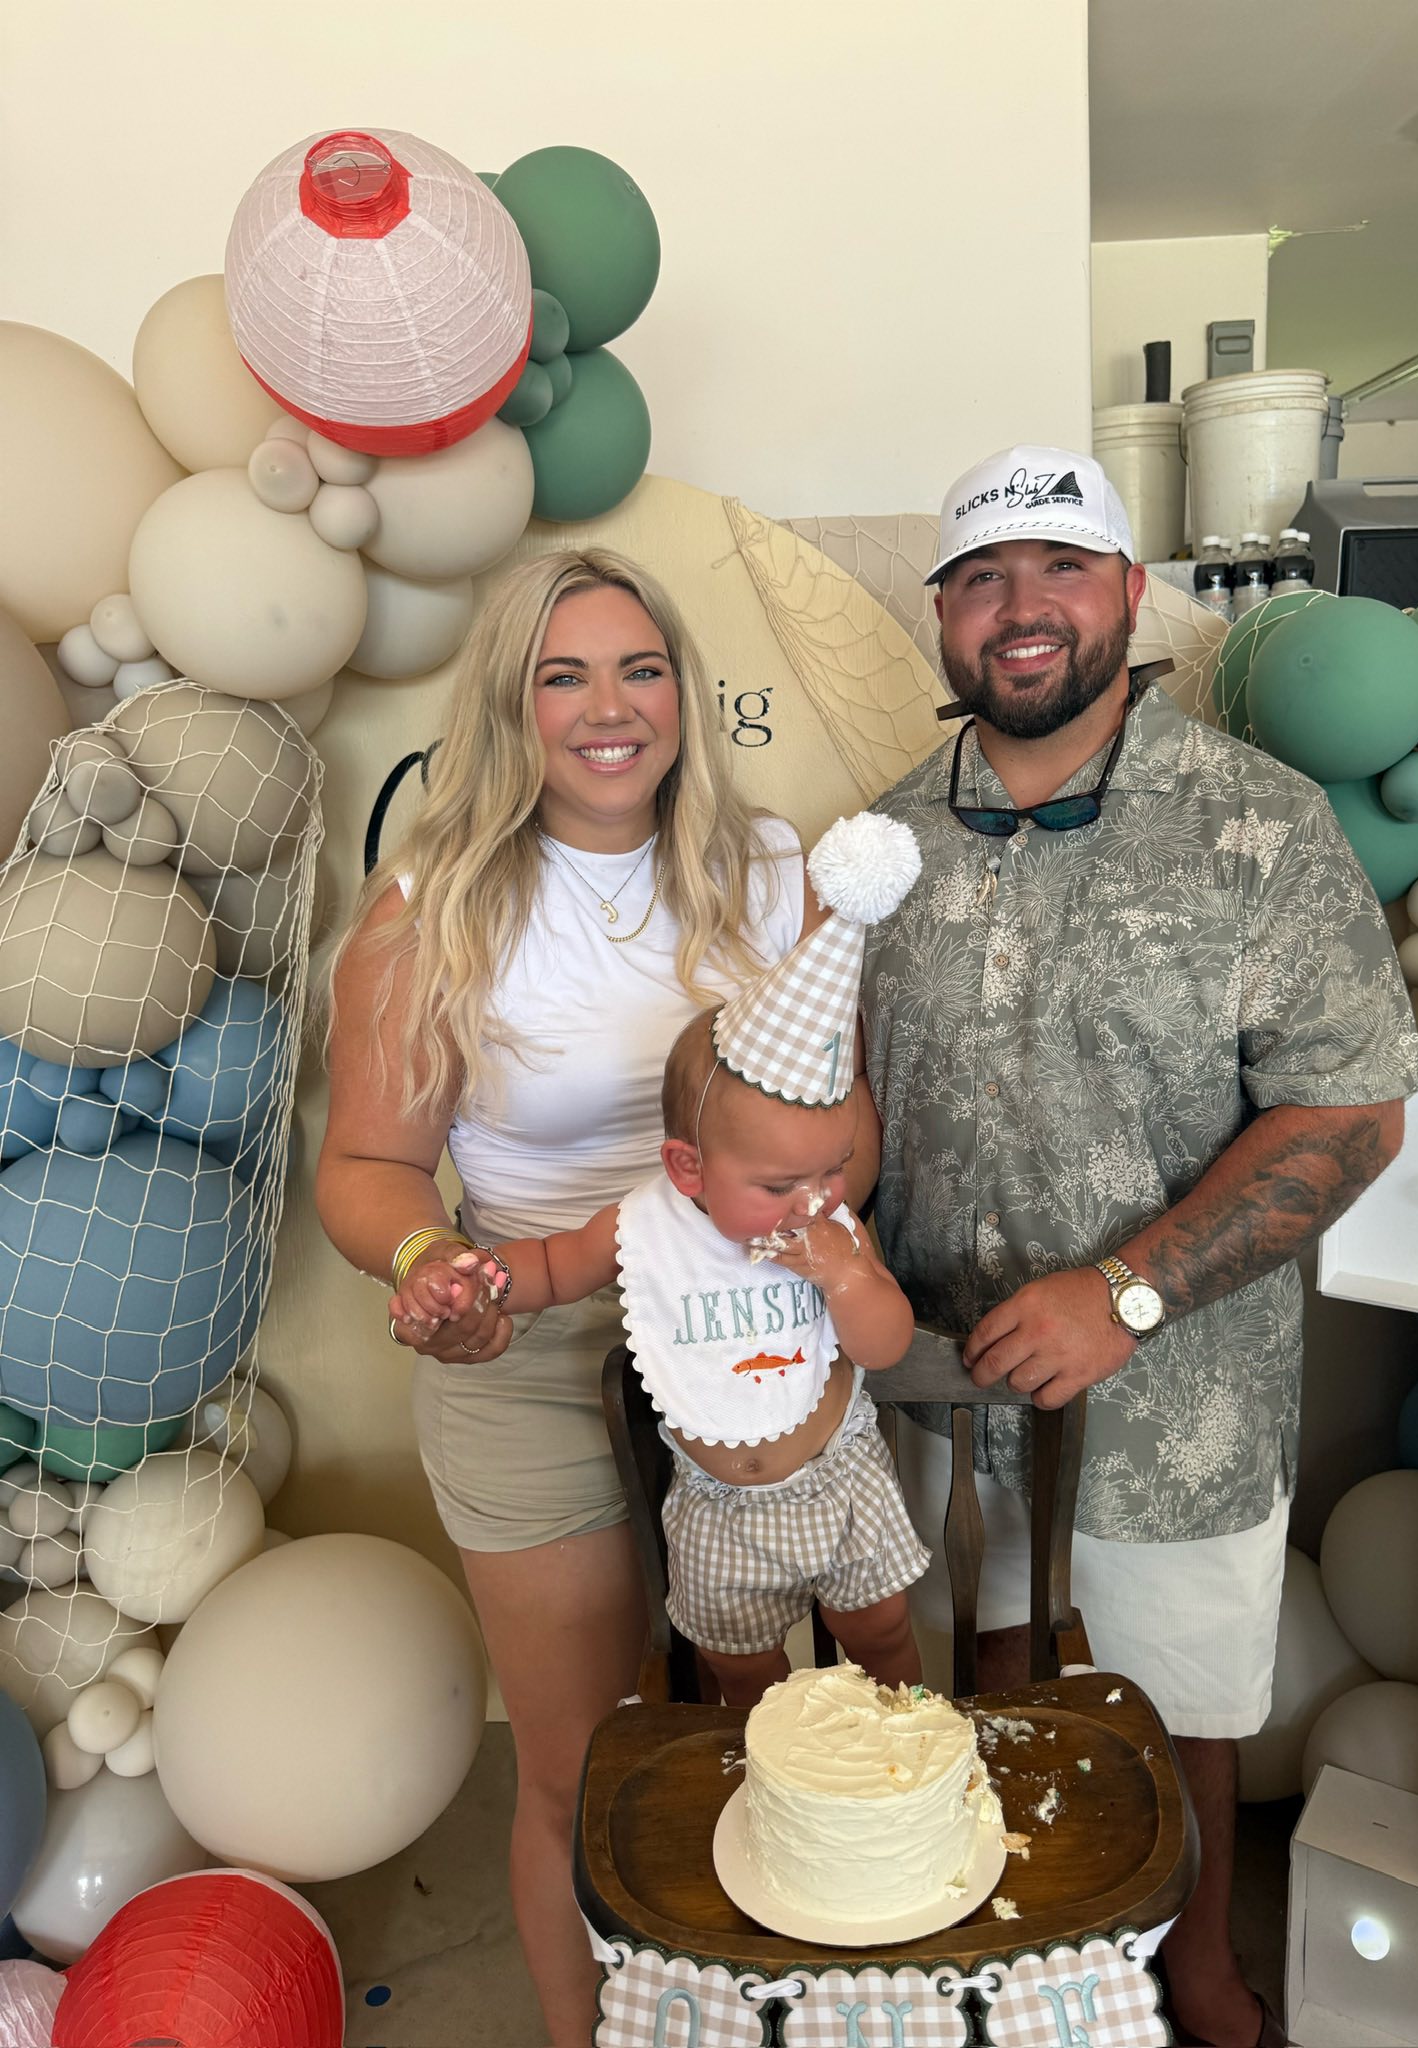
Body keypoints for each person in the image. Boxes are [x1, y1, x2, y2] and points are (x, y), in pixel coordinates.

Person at [860, 445, 1418, 2048]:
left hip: (1181, 1408)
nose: (1019, 608)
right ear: (945, 624)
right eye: (981, 578)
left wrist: (1127, 1290)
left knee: (1173, 1715)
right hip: (934, 1394)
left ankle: (1198, 1975)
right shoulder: (877, 847)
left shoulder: (1261, 827)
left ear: (1125, 596)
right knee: (977, 1708)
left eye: (1058, 569)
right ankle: (1022, 1975)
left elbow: (1351, 1115)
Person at [316, 549, 861, 2048]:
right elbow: (368, 1161)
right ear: (511, 705)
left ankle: (762, 2016)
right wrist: (435, 1269)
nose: (608, 708)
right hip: (531, 1344)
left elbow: (848, 1118)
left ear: (682, 689)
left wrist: (825, 1225)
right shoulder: (431, 910)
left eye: (640, 668)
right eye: (563, 675)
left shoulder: (773, 871)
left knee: (761, 1730)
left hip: (753, 1340)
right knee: (583, 1756)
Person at [455, 975, 927, 1708]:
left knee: (881, 1632)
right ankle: (773, 1764)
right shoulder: (645, 1230)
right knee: (737, 1668)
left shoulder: (832, 1233)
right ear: (688, 1168)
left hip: (838, 1484)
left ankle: (907, 1744)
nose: (816, 1198)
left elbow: (888, 1344)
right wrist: (475, 1278)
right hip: (716, 1508)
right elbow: (549, 1266)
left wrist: (847, 1278)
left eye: (834, 1169)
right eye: (781, 1185)